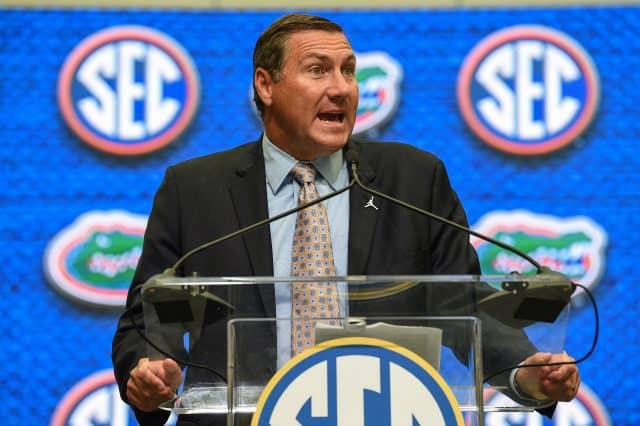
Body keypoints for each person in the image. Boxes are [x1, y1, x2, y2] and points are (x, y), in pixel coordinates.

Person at [112, 13, 580, 426]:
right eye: (317, 70)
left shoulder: (413, 180)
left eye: (348, 71)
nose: (341, 87)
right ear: (265, 85)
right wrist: (148, 375)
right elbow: (145, 321)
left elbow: (463, 306)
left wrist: (527, 370)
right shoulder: (194, 189)